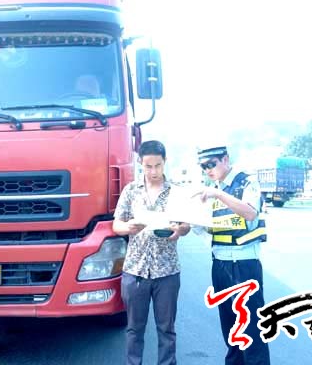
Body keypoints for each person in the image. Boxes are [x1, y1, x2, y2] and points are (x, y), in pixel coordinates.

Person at [113, 140, 191, 365]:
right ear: (140, 163)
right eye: (148, 166)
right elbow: (116, 224)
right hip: (135, 271)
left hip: (167, 272)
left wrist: (180, 230)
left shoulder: (176, 192)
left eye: (158, 165)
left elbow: (186, 225)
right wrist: (128, 227)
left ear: (165, 162)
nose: (154, 171)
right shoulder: (130, 190)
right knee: (134, 329)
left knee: (166, 329)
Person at [193, 144, 270, 365]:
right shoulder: (211, 190)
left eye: (211, 164)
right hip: (220, 264)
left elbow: (250, 213)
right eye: (203, 167)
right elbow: (208, 227)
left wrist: (219, 193)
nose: (208, 170)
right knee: (230, 328)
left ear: (225, 159)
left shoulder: (246, 182)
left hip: (244, 264)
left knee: (252, 328)